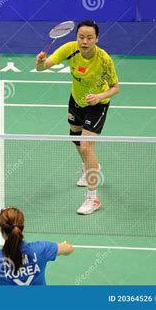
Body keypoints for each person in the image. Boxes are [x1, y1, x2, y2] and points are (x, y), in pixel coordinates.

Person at [35, 20, 120, 215]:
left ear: (96, 39)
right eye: (81, 37)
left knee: (86, 146)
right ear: (76, 37)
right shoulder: (70, 49)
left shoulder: (104, 60)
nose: (85, 41)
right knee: (75, 137)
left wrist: (99, 96)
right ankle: (90, 166)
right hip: (76, 100)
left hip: (96, 105)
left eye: (89, 37)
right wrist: (40, 62)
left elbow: (116, 87)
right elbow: (43, 67)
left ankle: (93, 199)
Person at [0, 207, 73, 285]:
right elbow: (69, 249)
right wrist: (63, 246)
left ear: (1, 230)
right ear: (22, 228)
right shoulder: (41, 249)